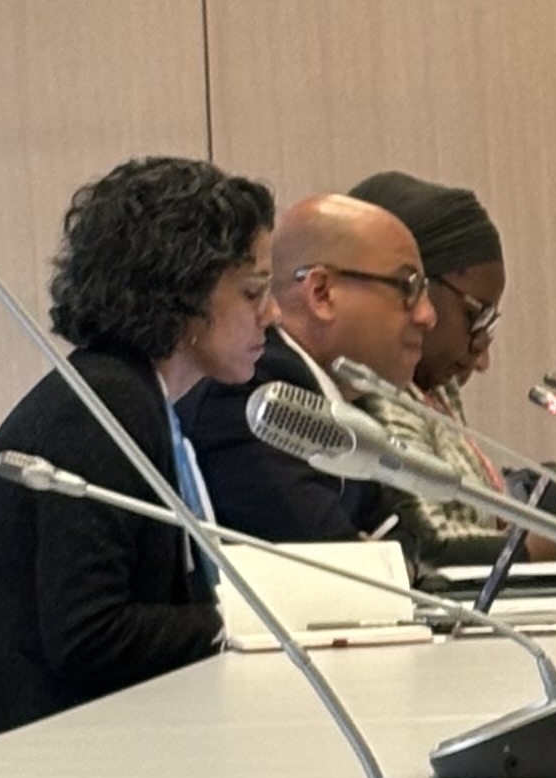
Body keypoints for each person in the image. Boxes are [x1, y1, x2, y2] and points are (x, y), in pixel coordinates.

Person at [0, 156, 276, 732]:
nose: (271, 315)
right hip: (43, 759)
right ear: (182, 294)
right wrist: (250, 621)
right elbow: (88, 635)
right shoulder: (101, 408)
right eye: (253, 292)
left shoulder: (133, 396)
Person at [347, 170, 556, 578]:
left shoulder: (432, 385)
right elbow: (430, 547)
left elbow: (472, 511)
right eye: (475, 315)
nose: (482, 356)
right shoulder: (376, 389)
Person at [177, 193, 436, 552]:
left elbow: (405, 543)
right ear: (321, 292)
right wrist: (382, 558)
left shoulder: (337, 393)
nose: (427, 315)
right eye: (408, 287)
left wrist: (387, 558)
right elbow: (343, 568)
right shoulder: (250, 396)